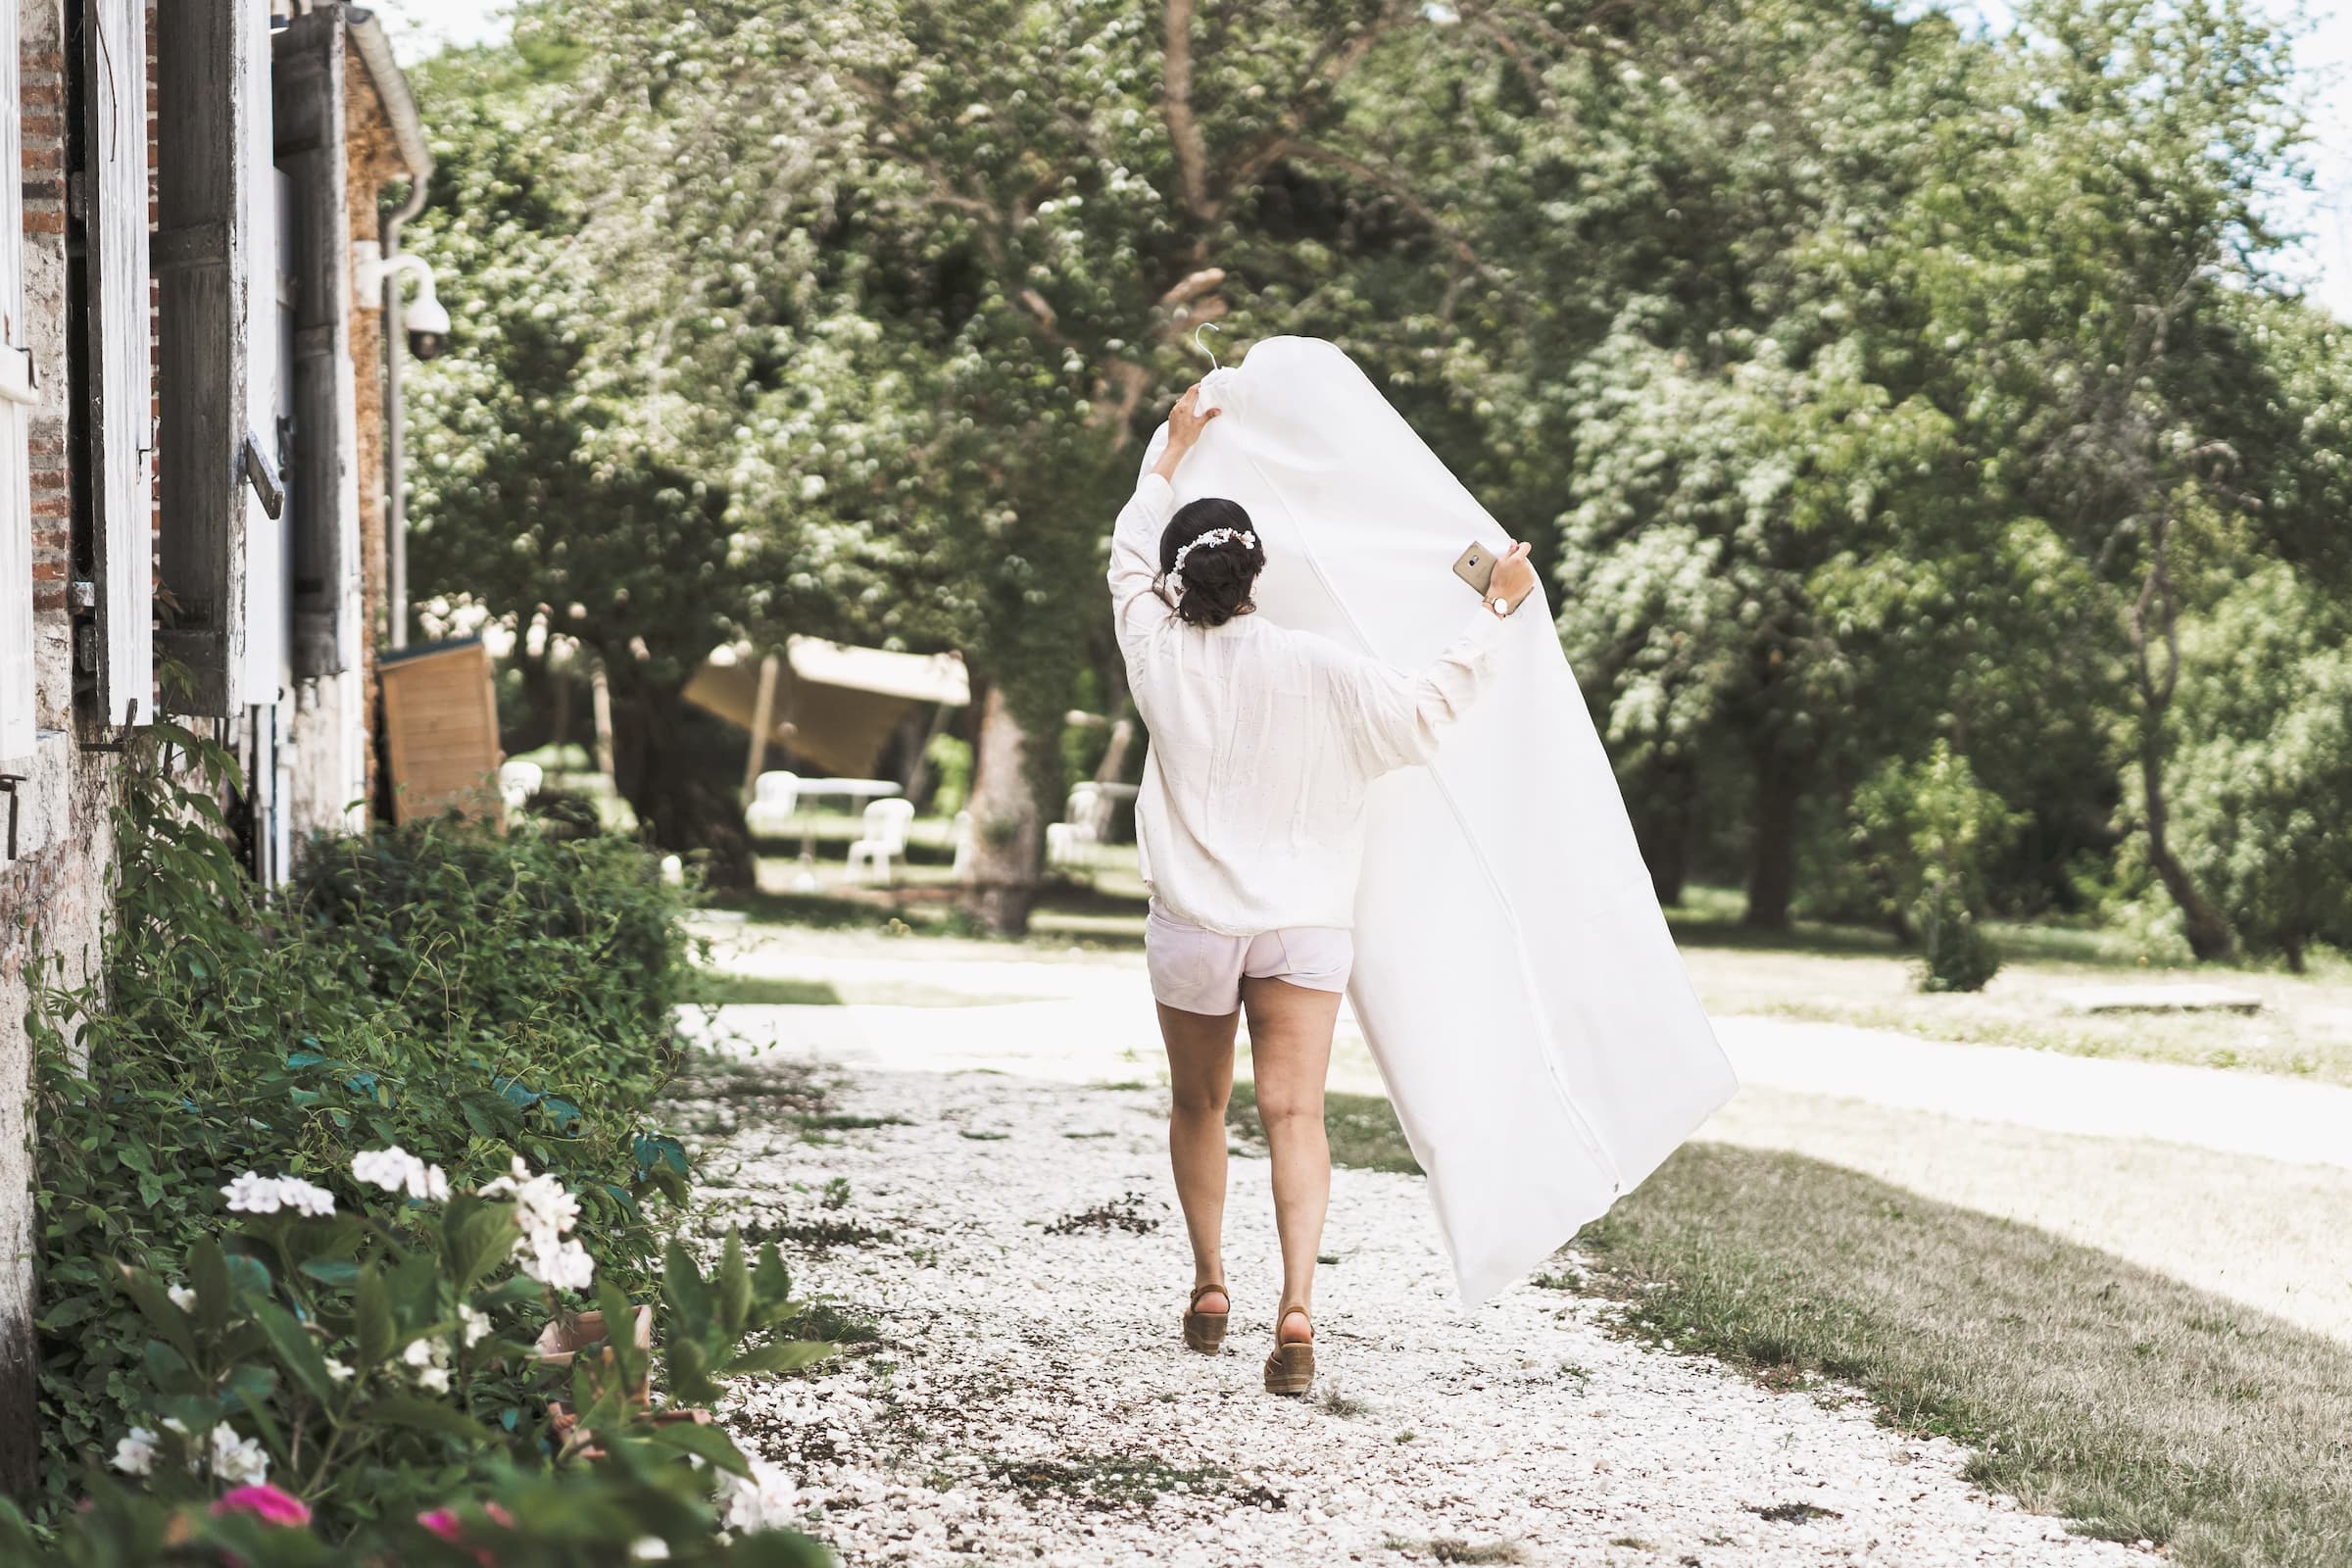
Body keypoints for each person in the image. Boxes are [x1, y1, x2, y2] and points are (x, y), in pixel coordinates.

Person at [1108, 381, 1539, 1395]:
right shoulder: (1324, 666)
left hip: (1195, 922)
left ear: (1180, 580)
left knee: (1200, 1104)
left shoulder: (1153, 650)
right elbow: (1430, 713)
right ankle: (1297, 1308)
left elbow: (1129, 545)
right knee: (1297, 1116)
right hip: (1306, 924)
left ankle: (1211, 1282)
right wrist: (1493, 614)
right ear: (1261, 571)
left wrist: (1167, 451)